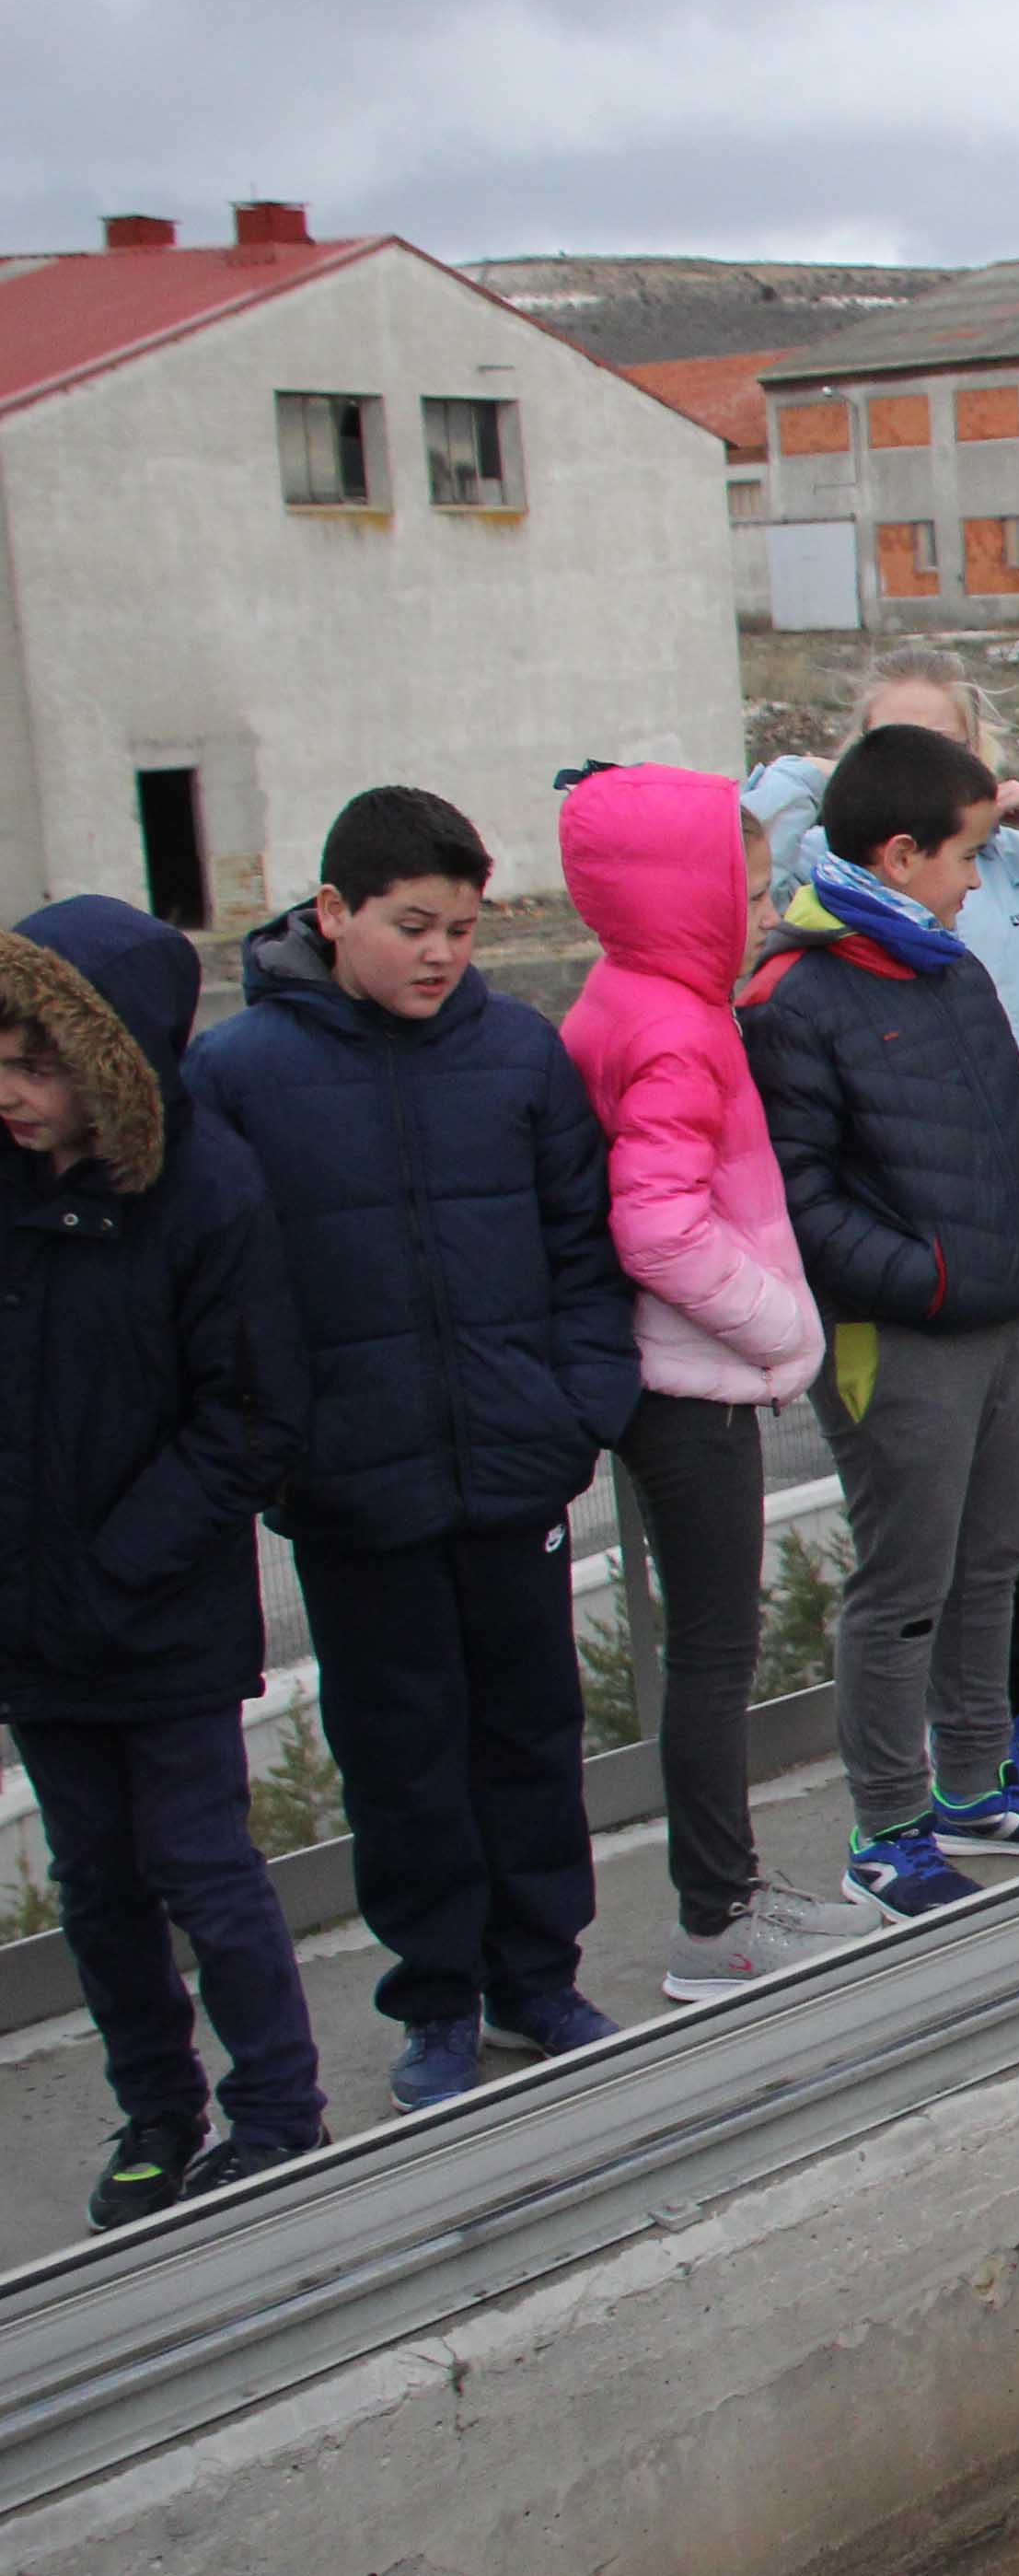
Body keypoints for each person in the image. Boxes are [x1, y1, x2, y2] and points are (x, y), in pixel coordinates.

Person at [184, 787, 637, 2110]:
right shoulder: (243, 1076)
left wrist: (576, 1409)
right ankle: (435, 2000)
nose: (441, 953)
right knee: (402, 1751)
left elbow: (580, 1249)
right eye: (411, 925)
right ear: (332, 915)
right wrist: (289, 1456)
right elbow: (218, 1297)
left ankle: (538, 1979)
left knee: (530, 1732)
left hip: (511, 1467)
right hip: (353, 1491)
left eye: (461, 927)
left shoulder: (518, 1055)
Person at [748, 648, 1019, 1793]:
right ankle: (905, 1804)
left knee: (1012, 1531)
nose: (975, 877)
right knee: (911, 1566)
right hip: (920, 1291)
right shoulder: (811, 973)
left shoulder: (982, 914)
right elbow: (805, 1182)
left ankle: (995, 1744)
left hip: (1018, 1255)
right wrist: (921, 1274)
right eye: (893, 749)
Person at [0, 899, 327, 2221]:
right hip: (30, 1619)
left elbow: (248, 1419)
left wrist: (107, 1568)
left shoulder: (210, 1195)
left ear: (113, 1062)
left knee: (198, 1863)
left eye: (35, 1067)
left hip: (156, 1610)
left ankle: (278, 2113)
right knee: (93, 1881)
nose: (9, 1094)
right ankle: (155, 2115)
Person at [557, 766, 883, 2001]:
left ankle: (728, 1898)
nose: (759, 912)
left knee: (703, 1648)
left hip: (665, 1364)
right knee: (713, 1650)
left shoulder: (625, 999)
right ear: (679, 897)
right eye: (743, 891)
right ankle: (719, 1918)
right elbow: (659, 1228)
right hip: (689, 1375)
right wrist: (781, 1326)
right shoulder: (680, 1032)